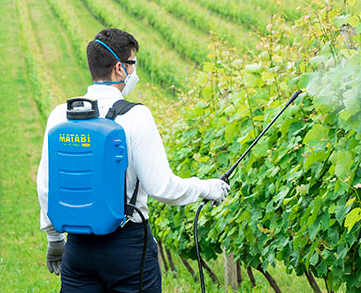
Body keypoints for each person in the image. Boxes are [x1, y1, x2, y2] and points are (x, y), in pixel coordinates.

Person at [36, 28, 230, 292]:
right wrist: (208, 188)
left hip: (78, 248)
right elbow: (162, 187)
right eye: (133, 64)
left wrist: (54, 239)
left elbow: (47, 185)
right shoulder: (136, 116)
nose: (134, 73)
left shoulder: (61, 116)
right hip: (127, 247)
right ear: (119, 68)